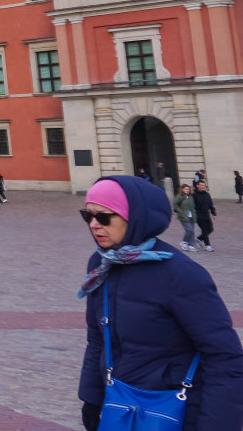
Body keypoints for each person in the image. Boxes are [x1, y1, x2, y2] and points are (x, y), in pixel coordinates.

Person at [75, 176, 242, 431]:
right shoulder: (101, 264)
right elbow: (97, 339)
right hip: (120, 407)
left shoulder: (181, 274)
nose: (94, 225)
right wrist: (92, 399)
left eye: (105, 217)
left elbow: (225, 357)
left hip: (175, 411)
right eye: (88, 216)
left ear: (135, 217)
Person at [173, 183, 199, 251]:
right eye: (186, 189)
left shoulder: (190, 197)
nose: (187, 190)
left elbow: (193, 206)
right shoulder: (179, 196)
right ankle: (184, 242)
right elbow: (175, 205)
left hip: (192, 216)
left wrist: (195, 214)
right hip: (183, 216)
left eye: (188, 189)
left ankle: (191, 245)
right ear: (182, 189)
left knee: (192, 231)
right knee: (189, 230)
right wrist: (181, 212)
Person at [193, 180, 216, 252]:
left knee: (210, 229)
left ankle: (199, 239)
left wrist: (213, 213)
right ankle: (208, 245)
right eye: (201, 185)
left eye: (204, 185)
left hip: (207, 214)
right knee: (205, 230)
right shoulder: (194, 195)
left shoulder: (207, 194)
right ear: (197, 186)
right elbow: (191, 206)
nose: (203, 187)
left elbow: (211, 204)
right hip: (199, 215)